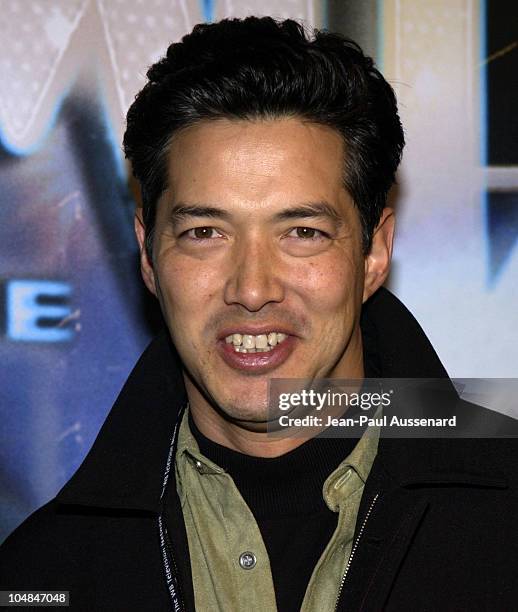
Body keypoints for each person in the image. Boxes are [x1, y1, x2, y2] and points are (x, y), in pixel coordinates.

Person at [1, 16, 517, 612]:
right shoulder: (42, 578)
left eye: (302, 232)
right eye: (205, 232)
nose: (251, 289)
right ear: (148, 253)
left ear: (374, 253)